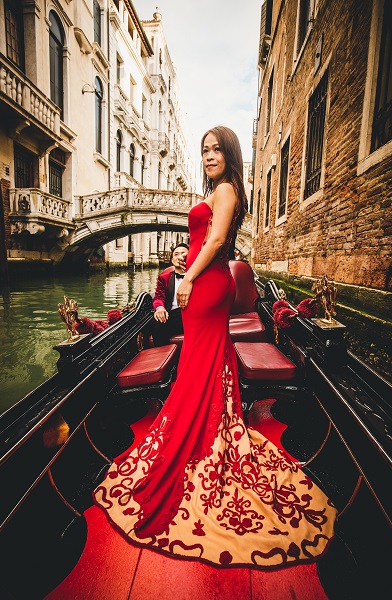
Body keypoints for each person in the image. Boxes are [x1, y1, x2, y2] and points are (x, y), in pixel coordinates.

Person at [94, 126, 336, 569]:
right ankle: (205, 429)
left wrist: (186, 277)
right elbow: (210, 242)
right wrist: (186, 261)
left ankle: (196, 437)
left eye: (215, 150)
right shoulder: (221, 190)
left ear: (229, 155)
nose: (208, 156)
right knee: (202, 364)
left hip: (206, 288)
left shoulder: (225, 190)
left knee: (197, 365)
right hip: (207, 283)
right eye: (204, 150)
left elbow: (220, 241)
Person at [151, 242, 188, 346]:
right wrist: (160, 308)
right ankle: (162, 356)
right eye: (176, 254)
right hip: (173, 316)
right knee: (156, 321)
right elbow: (159, 297)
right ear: (172, 260)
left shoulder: (198, 276)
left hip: (192, 315)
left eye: (183, 253)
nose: (179, 256)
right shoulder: (164, 277)